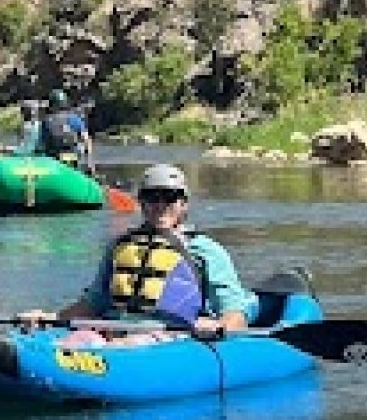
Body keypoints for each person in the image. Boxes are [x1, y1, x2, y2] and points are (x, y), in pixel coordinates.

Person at [18, 164, 253, 334]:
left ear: (183, 204)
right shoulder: (120, 245)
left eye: (169, 197)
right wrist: (50, 318)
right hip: (115, 331)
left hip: (172, 338)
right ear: (141, 202)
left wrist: (220, 327)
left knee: (127, 344)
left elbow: (235, 313)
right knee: (83, 339)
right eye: (152, 197)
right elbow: (92, 304)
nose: (160, 205)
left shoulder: (206, 250)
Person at [35, 88, 94, 172]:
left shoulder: (47, 121)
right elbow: (86, 139)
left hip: (54, 158)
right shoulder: (74, 118)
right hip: (73, 155)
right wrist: (90, 161)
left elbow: (41, 144)